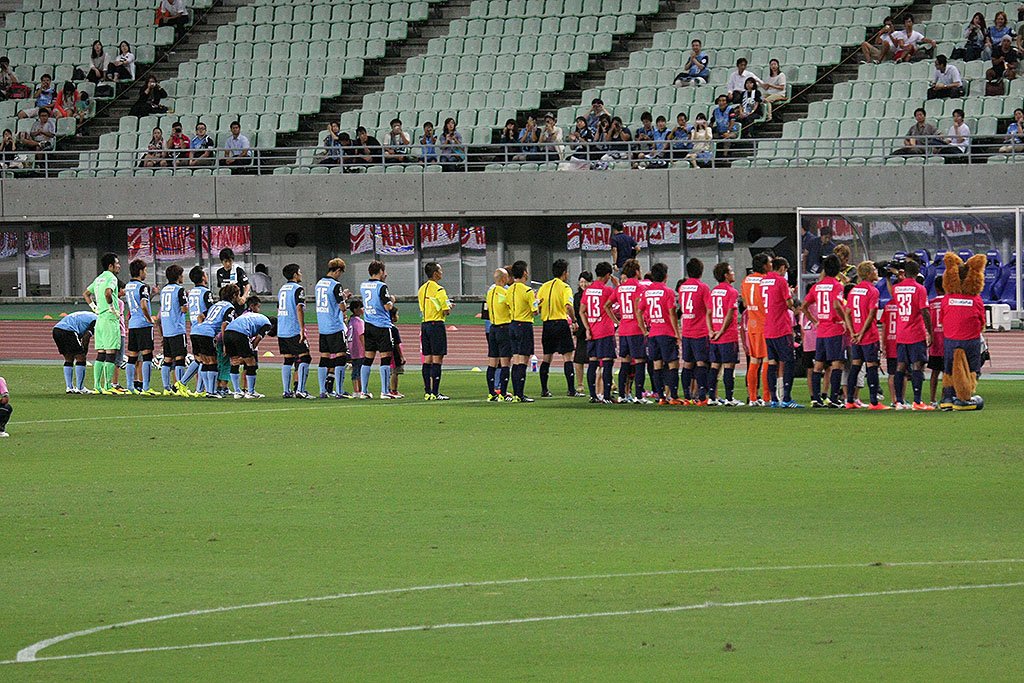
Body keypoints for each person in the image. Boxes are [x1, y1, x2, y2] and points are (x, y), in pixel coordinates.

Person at [802, 255, 852, 408]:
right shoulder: (837, 285)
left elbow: (804, 306)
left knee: (818, 365)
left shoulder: (817, 286)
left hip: (821, 330)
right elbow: (836, 305)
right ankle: (834, 399)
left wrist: (815, 321)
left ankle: (816, 399)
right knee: (837, 364)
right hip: (834, 328)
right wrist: (844, 319)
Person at [938, 267, 986, 411]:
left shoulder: (947, 299)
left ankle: (947, 398)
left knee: (949, 369)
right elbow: (982, 321)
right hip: (970, 339)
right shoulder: (976, 299)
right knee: (971, 369)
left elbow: (942, 319)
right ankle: (965, 397)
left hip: (950, 339)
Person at [891, 259, 933, 410]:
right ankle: (917, 401)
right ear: (917, 272)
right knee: (917, 365)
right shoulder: (920, 289)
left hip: (901, 332)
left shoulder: (896, 288)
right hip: (915, 332)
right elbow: (924, 311)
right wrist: (930, 332)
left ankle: (899, 401)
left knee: (900, 366)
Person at [761, 256, 803, 408]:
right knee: (788, 361)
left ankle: (773, 399)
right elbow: (789, 303)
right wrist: (791, 296)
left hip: (768, 327)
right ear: (782, 268)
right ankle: (786, 398)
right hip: (781, 327)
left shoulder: (763, 281)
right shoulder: (780, 281)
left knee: (772, 362)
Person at [845, 262, 886, 410]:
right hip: (868, 335)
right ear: (868, 274)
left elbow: (847, 313)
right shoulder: (872, 291)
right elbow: (871, 313)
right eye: (874, 269)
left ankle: (850, 400)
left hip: (855, 335)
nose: (876, 271)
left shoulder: (854, 290)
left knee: (855, 366)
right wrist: (862, 333)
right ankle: (874, 402)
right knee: (871, 366)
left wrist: (852, 332)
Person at [638, 262, 680, 405]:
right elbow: (672, 313)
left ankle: (661, 397)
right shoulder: (667, 291)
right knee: (672, 363)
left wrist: (644, 330)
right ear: (665, 276)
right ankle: (673, 396)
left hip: (653, 333)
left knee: (657, 364)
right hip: (666, 332)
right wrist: (676, 332)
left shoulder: (647, 292)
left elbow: (639, 311)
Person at [83, 253, 124, 394]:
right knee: (111, 352)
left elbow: (86, 294)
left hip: (99, 319)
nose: (119, 266)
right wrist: (112, 308)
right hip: (110, 319)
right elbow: (108, 293)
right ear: (111, 266)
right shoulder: (112, 278)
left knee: (101, 353)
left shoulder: (98, 278)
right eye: (117, 263)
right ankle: (107, 386)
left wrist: (94, 307)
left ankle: (97, 386)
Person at [191, 284, 240, 398]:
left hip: (196, 330)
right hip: (207, 333)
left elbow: (200, 316)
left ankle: (207, 390)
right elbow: (224, 324)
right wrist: (225, 344)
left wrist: (202, 326)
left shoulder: (215, 305)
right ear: (234, 296)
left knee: (205, 361)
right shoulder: (230, 307)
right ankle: (212, 392)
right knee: (212, 362)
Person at [536, 259, 577, 398]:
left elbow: (537, 306)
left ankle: (544, 390)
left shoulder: (544, 287)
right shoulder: (565, 288)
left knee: (547, 357)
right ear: (564, 273)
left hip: (547, 324)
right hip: (560, 323)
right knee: (567, 357)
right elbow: (568, 306)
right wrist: (574, 320)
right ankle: (571, 390)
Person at [359, 260, 397, 399]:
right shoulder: (382, 286)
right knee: (385, 358)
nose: (385, 274)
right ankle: (384, 391)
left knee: (368, 359)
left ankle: (364, 391)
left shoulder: (363, 285)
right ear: (380, 271)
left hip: (368, 325)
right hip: (382, 325)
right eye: (384, 271)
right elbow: (387, 306)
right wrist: (392, 300)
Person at [581, 261, 618, 404]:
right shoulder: (607, 290)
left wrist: (587, 328)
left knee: (593, 363)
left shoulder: (588, 290)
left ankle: (593, 395)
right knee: (607, 363)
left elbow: (582, 311)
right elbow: (620, 296)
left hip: (592, 331)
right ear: (608, 275)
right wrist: (616, 284)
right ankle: (607, 396)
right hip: (605, 330)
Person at [677, 258, 712, 404]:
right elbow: (709, 309)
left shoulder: (682, 287)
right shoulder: (703, 287)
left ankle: (687, 396)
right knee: (701, 363)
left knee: (687, 363)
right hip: (700, 331)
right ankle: (701, 396)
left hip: (686, 330)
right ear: (701, 271)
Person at [223, 296, 273, 399]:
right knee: (251, 363)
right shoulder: (267, 323)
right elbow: (256, 340)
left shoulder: (250, 315)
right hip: (240, 333)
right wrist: (249, 354)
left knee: (234, 361)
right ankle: (251, 392)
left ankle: (237, 392)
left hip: (228, 332)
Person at [314, 258, 350, 399]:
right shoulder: (336, 285)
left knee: (324, 357)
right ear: (338, 270)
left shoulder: (319, 284)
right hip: (335, 325)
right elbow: (342, 307)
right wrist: (345, 298)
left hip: (322, 326)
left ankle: (322, 390)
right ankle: (339, 391)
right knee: (341, 356)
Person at [613, 259, 647, 404]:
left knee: (624, 363)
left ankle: (622, 395)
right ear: (637, 271)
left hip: (623, 330)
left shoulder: (620, 288)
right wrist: (644, 329)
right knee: (639, 362)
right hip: (635, 329)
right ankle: (639, 396)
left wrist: (617, 322)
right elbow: (639, 311)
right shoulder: (639, 287)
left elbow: (607, 305)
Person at [708, 262, 741, 406]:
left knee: (715, 366)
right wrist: (721, 332)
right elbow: (729, 313)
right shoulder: (732, 292)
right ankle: (729, 398)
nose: (733, 273)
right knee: (728, 366)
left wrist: (711, 331)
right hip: (727, 335)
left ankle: (712, 398)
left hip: (714, 335)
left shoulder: (714, 291)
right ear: (726, 275)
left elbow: (708, 312)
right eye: (731, 271)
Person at [276, 264, 311, 399]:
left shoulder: (282, 289)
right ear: (295, 275)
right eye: (299, 272)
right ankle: (300, 390)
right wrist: (302, 328)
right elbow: (299, 308)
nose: (301, 274)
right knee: (305, 357)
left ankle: (286, 390)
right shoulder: (298, 289)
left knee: (288, 359)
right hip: (293, 329)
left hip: (282, 329)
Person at [418, 262, 451, 400]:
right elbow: (446, 310)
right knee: (437, 359)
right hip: (436, 325)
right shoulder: (439, 290)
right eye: (440, 270)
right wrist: (449, 307)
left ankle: (427, 391)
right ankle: (435, 392)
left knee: (427, 359)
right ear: (436, 273)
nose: (442, 273)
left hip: (425, 324)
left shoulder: (422, 289)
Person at [741, 253, 771, 406]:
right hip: (765, 323)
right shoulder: (766, 280)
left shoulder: (746, 280)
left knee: (754, 360)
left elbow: (745, 304)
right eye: (769, 262)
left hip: (751, 325)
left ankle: (752, 398)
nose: (771, 265)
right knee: (766, 360)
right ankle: (766, 398)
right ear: (764, 265)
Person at [123, 260, 156, 395]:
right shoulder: (143, 287)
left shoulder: (128, 286)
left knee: (132, 357)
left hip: (133, 324)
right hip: (143, 324)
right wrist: (149, 319)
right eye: (145, 270)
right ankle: (146, 388)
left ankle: (130, 386)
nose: (146, 273)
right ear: (140, 271)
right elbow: (143, 304)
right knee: (147, 356)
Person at [507, 261, 538, 402]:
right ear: (525, 273)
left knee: (516, 359)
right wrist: (538, 302)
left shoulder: (509, 290)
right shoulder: (527, 291)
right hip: (524, 325)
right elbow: (535, 311)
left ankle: (516, 394)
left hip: (512, 324)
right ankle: (520, 394)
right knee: (523, 361)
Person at [159, 264, 191, 396]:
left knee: (167, 359)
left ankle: (166, 388)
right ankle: (179, 387)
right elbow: (184, 309)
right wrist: (187, 300)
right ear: (178, 276)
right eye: (181, 275)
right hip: (177, 328)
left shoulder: (164, 290)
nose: (183, 277)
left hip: (166, 329)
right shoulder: (179, 290)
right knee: (180, 359)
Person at [183, 266, 213, 395]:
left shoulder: (191, 292)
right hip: (204, 329)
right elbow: (211, 310)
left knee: (199, 359)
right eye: (205, 274)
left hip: (194, 328)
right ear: (203, 277)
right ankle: (199, 389)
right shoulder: (206, 292)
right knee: (204, 359)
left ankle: (183, 383)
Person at [484, 268, 512, 400]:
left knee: (492, 362)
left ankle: (491, 393)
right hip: (504, 327)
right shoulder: (505, 292)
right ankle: (503, 393)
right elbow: (512, 306)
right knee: (505, 362)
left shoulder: (490, 292)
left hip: (493, 328)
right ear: (503, 279)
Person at [52, 310, 96, 393]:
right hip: (68, 331)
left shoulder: (88, 315)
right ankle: (80, 388)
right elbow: (86, 336)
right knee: (81, 358)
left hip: (56, 330)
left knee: (68, 358)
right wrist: (84, 352)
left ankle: (69, 387)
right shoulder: (96, 320)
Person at [571, 271, 592, 396]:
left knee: (599, 358)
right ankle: (580, 384)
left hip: (594, 329)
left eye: (586, 282)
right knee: (579, 358)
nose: (583, 284)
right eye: (581, 282)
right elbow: (577, 312)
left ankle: (608, 382)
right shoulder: (577, 296)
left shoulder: (593, 294)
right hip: (581, 331)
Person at [927, 277, 945, 405]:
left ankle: (932, 399)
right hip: (947, 341)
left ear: (936, 289)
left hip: (935, 342)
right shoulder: (949, 302)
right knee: (947, 373)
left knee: (934, 372)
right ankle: (945, 398)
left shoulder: (931, 303)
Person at [346, 299, 365, 396]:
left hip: (351, 348)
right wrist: (365, 347)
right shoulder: (359, 322)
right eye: (361, 307)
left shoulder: (351, 321)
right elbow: (361, 335)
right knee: (359, 370)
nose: (363, 309)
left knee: (355, 370)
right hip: (359, 349)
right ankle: (359, 390)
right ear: (356, 309)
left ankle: (356, 390)